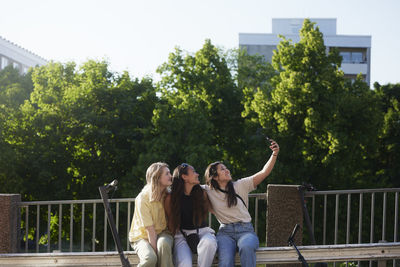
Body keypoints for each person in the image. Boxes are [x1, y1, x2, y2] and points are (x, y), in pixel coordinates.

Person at [204, 140, 280, 267]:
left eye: (226, 168)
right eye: (222, 169)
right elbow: (189, 187)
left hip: (245, 231)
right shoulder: (208, 190)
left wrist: (275, 153)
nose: (227, 170)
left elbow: (263, 172)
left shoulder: (240, 185)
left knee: (246, 247)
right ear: (215, 177)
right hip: (225, 233)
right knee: (226, 261)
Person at [164, 163, 217, 267]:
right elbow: (171, 222)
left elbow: (214, 209)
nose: (197, 174)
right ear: (184, 177)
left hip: (203, 232)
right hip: (182, 236)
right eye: (193, 172)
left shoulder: (202, 193)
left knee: (209, 243)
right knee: (185, 264)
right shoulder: (171, 198)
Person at [129, 162, 174, 267]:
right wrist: (156, 256)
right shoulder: (142, 198)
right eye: (167, 174)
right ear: (157, 178)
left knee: (164, 244)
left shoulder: (168, 196)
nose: (171, 176)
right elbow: (150, 231)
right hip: (142, 237)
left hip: (163, 233)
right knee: (150, 258)